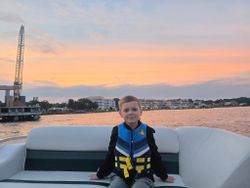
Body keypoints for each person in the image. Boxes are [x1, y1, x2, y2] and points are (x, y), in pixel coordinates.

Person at [90, 95, 175, 188]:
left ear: (141, 112)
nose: (130, 112)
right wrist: (100, 174)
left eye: (134, 109)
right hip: (120, 175)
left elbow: (154, 155)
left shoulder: (147, 131)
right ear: (120, 113)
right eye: (126, 110)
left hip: (143, 176)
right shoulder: (116, 131)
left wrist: (163, 176)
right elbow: (111, 155)